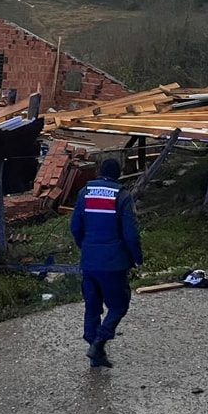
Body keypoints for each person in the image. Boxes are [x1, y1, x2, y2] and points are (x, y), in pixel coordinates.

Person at [70, 157, 142, 368]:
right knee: (119, 305)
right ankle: (99, 342)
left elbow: (75, 226)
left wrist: (85, 246)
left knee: (92, 305)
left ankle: (94, 348)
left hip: (90, 261)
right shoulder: (122, 196)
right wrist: (137, 258)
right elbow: (131, 233)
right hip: (113, 263)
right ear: (118, 174)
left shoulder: (85, 193)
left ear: (99, 172)